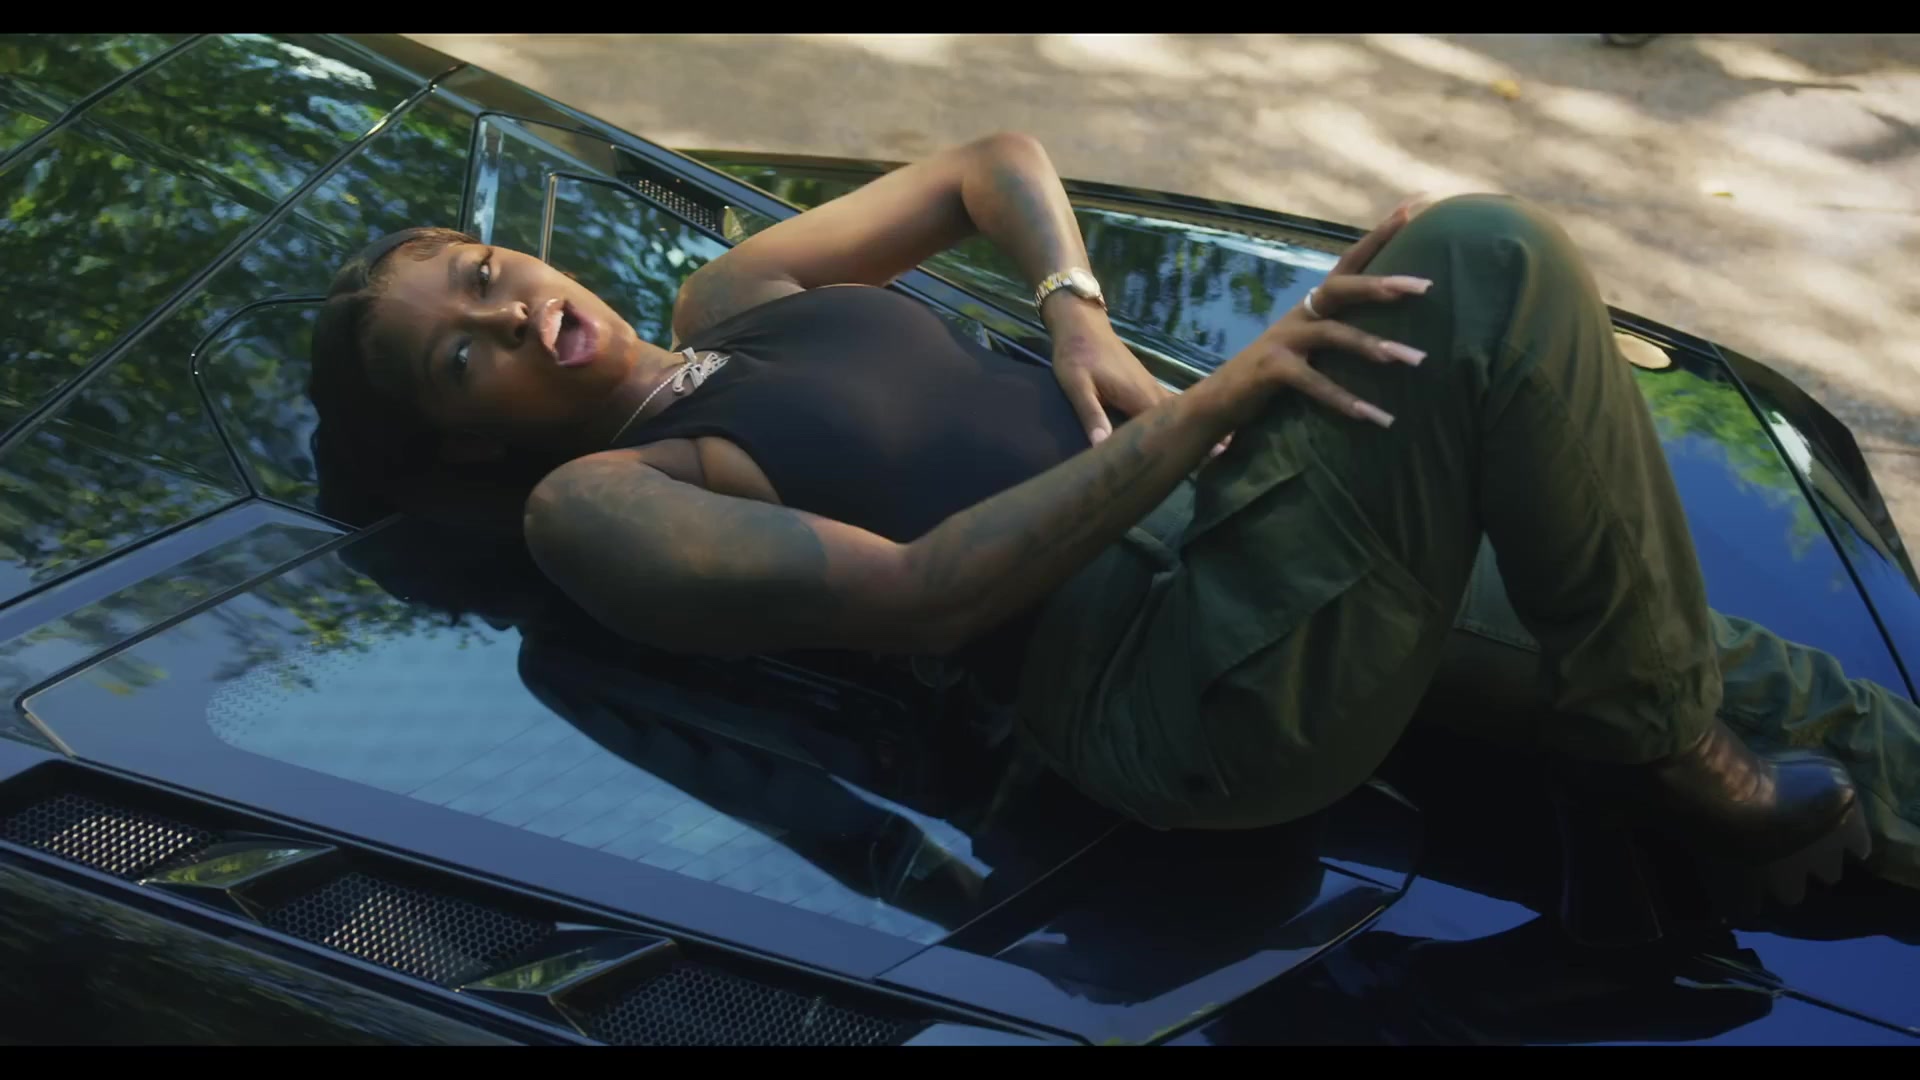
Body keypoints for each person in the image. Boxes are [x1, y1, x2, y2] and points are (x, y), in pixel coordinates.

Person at [307, 131, 1920, 905]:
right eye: (462, 354)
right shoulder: (596, 505)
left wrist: (1074, 312)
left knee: (1763, 669)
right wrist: (1219, 402)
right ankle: (1684, 756)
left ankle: (1703, 734)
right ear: (462, 435)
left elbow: (989, 162)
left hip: (1238, 531)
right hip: (1162, 681)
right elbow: (927, 593)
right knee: (1486, 259)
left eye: (485, 273)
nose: (511, 313)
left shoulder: (733, 294)